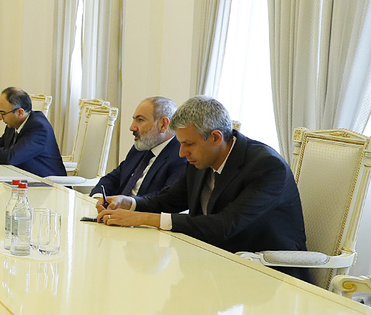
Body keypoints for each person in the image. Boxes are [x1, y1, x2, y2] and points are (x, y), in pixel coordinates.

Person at [97, 96, 309, 277]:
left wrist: (142, 218)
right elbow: (171, 199)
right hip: (214, 266)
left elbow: (224, 226)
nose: (182, 153)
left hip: (267, 276)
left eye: (188, 144)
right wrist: (130, 203)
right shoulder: (202, 158)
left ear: (216, 137)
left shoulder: (267, 166)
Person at [91, 96, 187, 208]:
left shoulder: (181, 155)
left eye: (140, 120)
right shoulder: (142, 146)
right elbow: (114, 178)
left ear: (163, 124)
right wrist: (99, 198)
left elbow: (167, 199)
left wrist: (129, 205)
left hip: (141, 216)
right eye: (134, 119)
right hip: (114, 213)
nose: (132, 127)